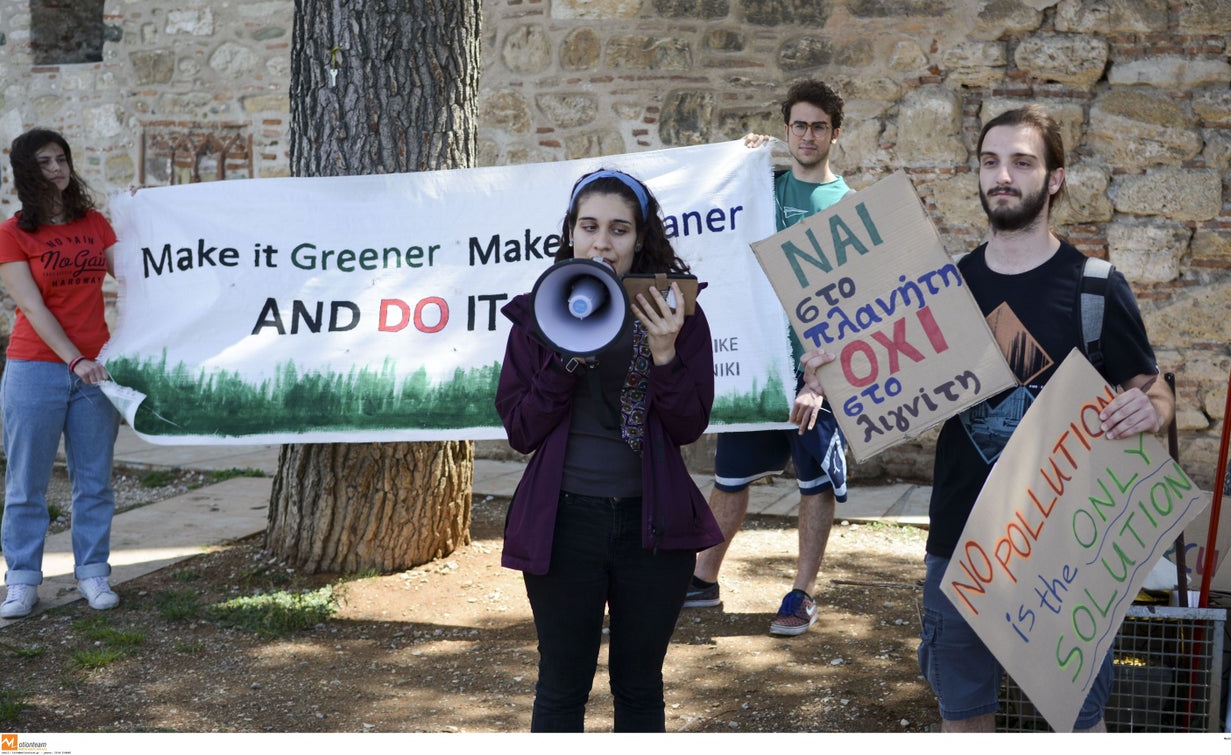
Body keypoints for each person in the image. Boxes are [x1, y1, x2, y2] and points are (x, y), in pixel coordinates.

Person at [803, 104, 1172, 731]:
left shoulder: (1096, 287)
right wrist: (835, 377)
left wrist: (1152, 407)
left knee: (1079, 727)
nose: (1003, 176)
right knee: (964, 719)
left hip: (1064, 548)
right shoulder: (943, 288)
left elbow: (1154, 393)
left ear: (1054, 178)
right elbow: (891, 395)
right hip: (960, 543)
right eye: (991, 162)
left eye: (1022, 163)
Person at [495, 168, 721, 732]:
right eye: (589, 226)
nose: (602, 242)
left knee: (640, 687)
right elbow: (521, 429)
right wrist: (566, 355)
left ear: (640, 238)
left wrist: (665, 354)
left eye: (619, 229)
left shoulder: (676, 314)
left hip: (652, 529)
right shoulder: (538, 313)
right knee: (562, 685)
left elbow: (689, 424)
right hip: (565, 526)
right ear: (570, 233)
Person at [683, 78, 851, 636]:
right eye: (798, 125)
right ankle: (703, 579)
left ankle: (801, 594)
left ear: (834, 133)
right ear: (787, 130)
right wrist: (741, 159)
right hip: (760, 364)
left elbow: (853, 303)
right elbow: (709, 215)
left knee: (814, 484)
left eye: (818, 127)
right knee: (730, 478)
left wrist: (821, 377)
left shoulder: (846, 205)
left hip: (816, 372)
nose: (807, 135)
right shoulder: (763, 188)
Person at [1, 128, 123, 619]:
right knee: (26, 483)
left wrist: (138, 216)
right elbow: (32, 308)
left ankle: (94, 573)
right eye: (44, 162)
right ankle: (23, 581)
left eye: (61, 159)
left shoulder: (94, 223)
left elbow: (138, 272)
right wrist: (74, 359)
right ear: (26, 173)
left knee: (94, 481)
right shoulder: (12, 234)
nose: (56, 169)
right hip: (36, 368)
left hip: (96, 371)